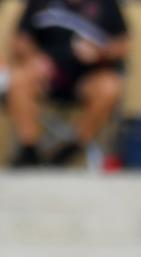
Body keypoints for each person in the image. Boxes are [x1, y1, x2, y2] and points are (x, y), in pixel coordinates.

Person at [6, 0, 128, 167]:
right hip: (48, 77)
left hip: (87, 78)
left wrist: (100, 52)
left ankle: (74, 147)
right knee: (18, 78)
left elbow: (123, 44)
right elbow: (20, 41)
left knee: (110, 87)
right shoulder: (38, 3)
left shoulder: (107, 4)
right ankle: (29, 149)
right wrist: (34, 58)